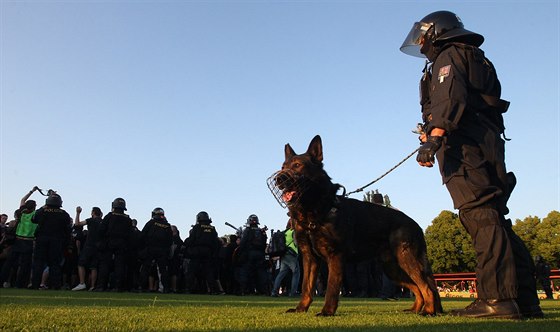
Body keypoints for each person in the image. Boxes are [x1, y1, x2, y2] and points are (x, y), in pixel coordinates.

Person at [400, 10, 542, 319]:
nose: (421, 44)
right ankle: (525, 301)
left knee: (480, 216)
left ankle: (496, 300)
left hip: (465, 148)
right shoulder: (473, 55)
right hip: (486, 142)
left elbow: (449, 98)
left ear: (437, 32)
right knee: (496, 218)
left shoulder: (448, 57)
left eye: (424, 37)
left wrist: (434, 138)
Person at [31, 193, 72, 289]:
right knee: (55, 264)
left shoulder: (42, 211)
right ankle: (55, 285)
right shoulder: (64, 214)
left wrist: (43, 207)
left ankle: (35, 284)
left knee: (38, 263)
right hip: (57, 241)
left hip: (42, 240)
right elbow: (68, 229)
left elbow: (33, 219)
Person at [0, 187, 39, 288]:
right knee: (25, 265)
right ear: (34, 207)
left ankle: (1, 281)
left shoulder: (21, 212)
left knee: (9, 263)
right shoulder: (35, 214)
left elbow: (22, 200)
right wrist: (52, 195)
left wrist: (32, 191)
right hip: (29, 241)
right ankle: (20, 284)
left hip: (18, 240)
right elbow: (46, 207)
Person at [96, 197, 133, 292]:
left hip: (109, 242)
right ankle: (118, 287)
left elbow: (101, 230)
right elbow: (130, 234)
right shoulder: (128, 219)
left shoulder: (109, 216)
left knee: (105, 265)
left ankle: (101, 286)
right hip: (122, 244)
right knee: (120, 266)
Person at [184, 211, 223, 294]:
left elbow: (192, 240)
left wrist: (186, 245)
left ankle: (188, 289)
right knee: (209, 272)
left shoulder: (197, 227)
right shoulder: (212, 228)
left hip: (197, 252)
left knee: (192, 271)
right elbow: (215, 242)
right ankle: (212, 290)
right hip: (208, 252)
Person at [139, 207, 173, 293]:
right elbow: (170, 240)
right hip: (162, 250)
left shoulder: (151, 223)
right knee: (163, 270)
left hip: (150, 249)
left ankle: (142, 287)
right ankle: (165, 288)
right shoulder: (167, 225)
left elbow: (142, 235)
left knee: (145, 268)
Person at [72, 206, 103, 291]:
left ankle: (82, 283)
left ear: (93, 213)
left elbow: (77, 223)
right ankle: (93, 286)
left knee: (81, 264)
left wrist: (78, 213)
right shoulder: (102, 222)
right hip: (98, 246)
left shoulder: (90, 220)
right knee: (94, 267)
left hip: (89, 245)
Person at [237, 214, 269, 295]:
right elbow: (264, 243)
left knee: (246, 272)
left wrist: (240, 253)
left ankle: (246, 290)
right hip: (260, 254)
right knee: (260, 273)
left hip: (249, 254)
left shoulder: (247, 230)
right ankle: (262, 290)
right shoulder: (261, 231)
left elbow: (243, 242)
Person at [270, 219, 299, 297]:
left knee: (281, 274)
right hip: (291, 254)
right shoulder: (294, 231)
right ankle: (293, 292)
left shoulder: (285, 232)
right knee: (296, 273)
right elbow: (296, 242)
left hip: (283, 254)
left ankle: (274, 291)